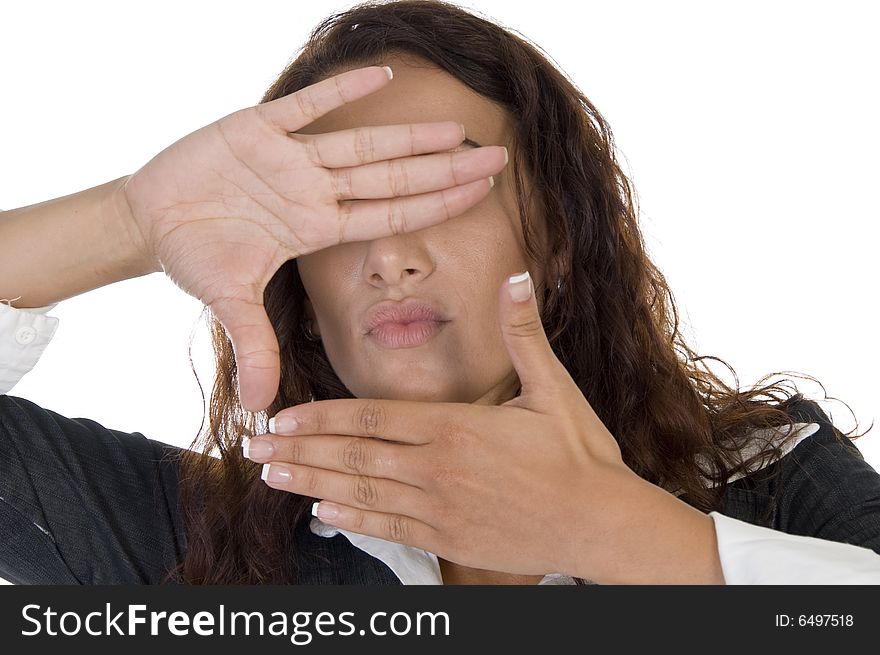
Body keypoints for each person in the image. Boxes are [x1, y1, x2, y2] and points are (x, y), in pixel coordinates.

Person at [2, 0, 879, 585]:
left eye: (442, 187)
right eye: (345, 204)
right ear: (295, 277)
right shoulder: (206, 542)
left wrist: (616, 532)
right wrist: (127, 222)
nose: (391, 255)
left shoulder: (769, 476)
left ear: (559, 232)